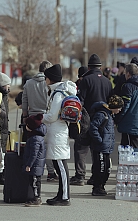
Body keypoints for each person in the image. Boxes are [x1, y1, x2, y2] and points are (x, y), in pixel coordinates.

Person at [70, 54, 112, 186]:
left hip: (87, 118)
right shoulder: (107, 81)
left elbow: (80, 101)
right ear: (100, 67)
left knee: (81, 147)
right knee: (97, 149)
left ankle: (80, 176)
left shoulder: (86, 80)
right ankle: (95, 176)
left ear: (89, 67)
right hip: (102, 120)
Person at [42, 64, 77, 206]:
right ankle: (60, 194)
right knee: (58, 164)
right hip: (58, 132)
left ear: (50, 79)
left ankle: (65, 197)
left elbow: (52, 116)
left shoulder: (58, 94)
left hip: (58, 133)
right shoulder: (58, 92)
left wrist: (40, 117)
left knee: (60, 165)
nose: (45, 81)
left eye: (46, 78)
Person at [22, 60, 58, 182]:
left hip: (32, 118)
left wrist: (25, 116)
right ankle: (51, 172)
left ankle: (31, 169)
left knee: (33, 146)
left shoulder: (28, 83)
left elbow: (24, 101)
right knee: (45, 146)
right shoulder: (49, 84)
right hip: (45, 117)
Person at [88, 95, 124, 196]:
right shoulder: (102, 115)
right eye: (119, 108)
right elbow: (93, 128)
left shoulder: (110, 115)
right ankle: (97, 187)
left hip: (106, 147)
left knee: (107, 168)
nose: (120, 110)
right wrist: (100, 140)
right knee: (101, 168)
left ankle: (101, 186)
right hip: (101, 147)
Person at [115, 63, 138, 150]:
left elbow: (125, 106)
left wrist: (117, 119)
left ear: (128, 74)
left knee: (128, 156)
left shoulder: (128, 86)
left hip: (130, 126)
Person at [23, 114, 47, 207]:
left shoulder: (35, 138)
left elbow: (34, 154)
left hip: (35, 165)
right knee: (35, 182)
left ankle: (37, 198)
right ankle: (35, 197)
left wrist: (29, 165)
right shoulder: (37, 136)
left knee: (35, 182)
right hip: (37, 165)